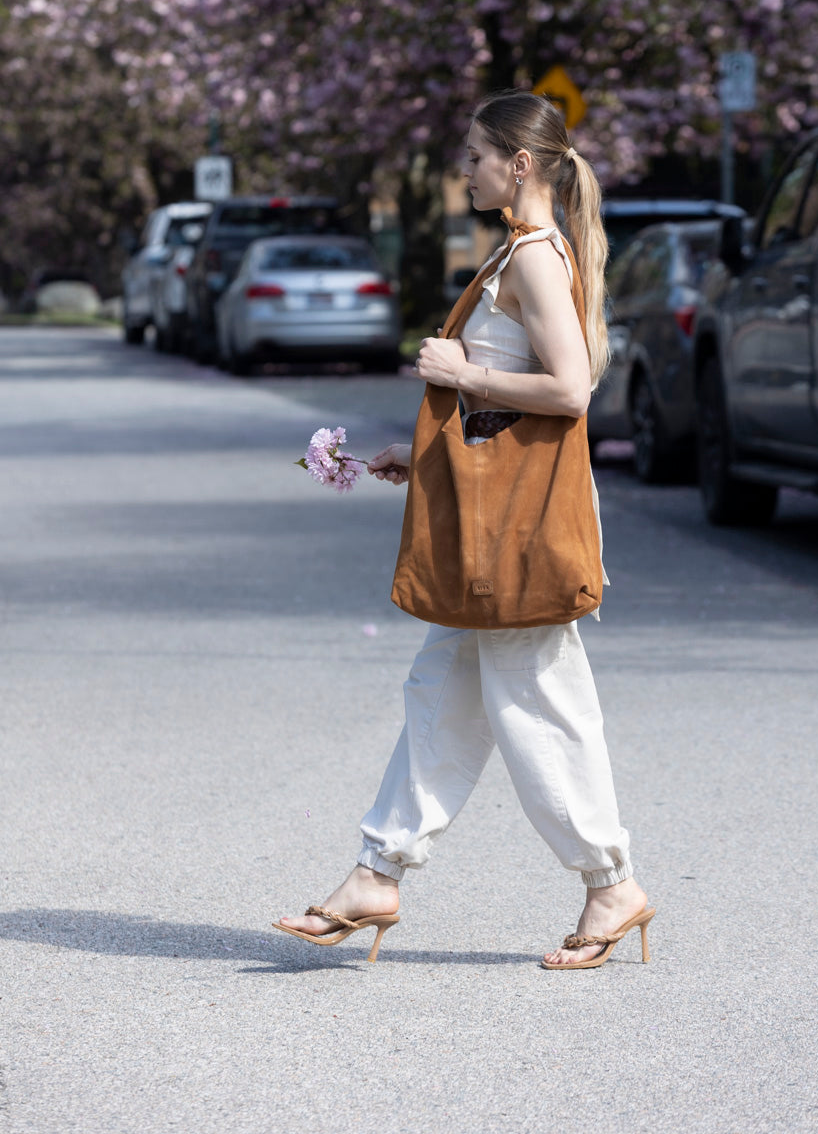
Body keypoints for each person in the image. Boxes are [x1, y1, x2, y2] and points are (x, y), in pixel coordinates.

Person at [274, 90, 653, 969]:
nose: (465, 168)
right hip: (496, 522)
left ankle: (610, 883)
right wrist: (430, 451)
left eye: (477, 154)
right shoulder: (520, 253)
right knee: (440, 690)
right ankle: (378, 872)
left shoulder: (533, 259)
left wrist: (461, 375)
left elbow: (569, 393)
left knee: (541, 710)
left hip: (518, 534)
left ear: (519, 165)